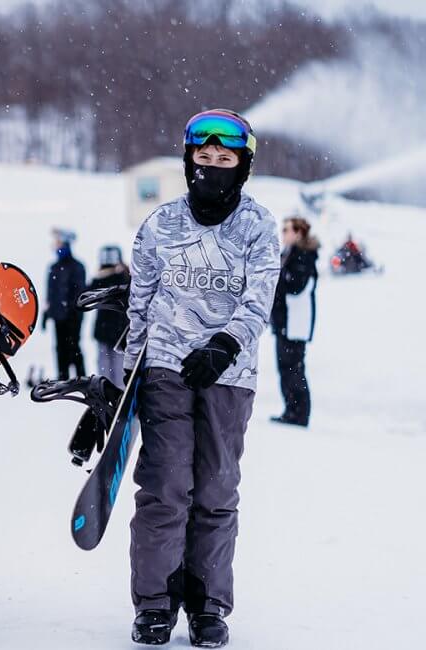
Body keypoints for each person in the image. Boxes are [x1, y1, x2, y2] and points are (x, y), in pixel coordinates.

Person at [123, 109, 279, 647]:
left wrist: (224, 343)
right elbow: (139, 301)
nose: (211, 168)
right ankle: (156, 603)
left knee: (215, 489)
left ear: (242, 166)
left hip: (229, 374)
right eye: (202, 158)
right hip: (165, 368)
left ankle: (208, 603)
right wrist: (127, 373)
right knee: (166, 488)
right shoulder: (161, 224)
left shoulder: (258, 227)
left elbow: (260, 299)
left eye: (224, 159)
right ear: (188, 161)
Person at [269, 216, 318, 426]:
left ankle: (299, 413)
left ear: (298, 233)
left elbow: (296, 286)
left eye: (287, 229)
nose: (283, 233)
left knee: (293, 369)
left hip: (294, 323)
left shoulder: (303, 255)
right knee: (285, 367)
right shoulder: (288, 254)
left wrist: (281, 275)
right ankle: (291, 410)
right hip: (284, 323)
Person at [44, 228, 86, 379]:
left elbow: (79, 292)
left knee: (74, 347)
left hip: (72, 317)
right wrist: (46, 313)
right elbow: (51, 293)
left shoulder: (77, 266)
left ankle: (81, 378)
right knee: (60, 348)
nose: (55, 245)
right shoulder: (54, 268)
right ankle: (63, 378)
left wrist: (72, 311)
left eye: (58, 242)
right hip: (58, 316)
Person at [88, 244, 130, 387]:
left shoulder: (124, 277)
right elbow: (87, 297)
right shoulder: (100, 280)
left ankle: (119, 396)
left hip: (119, 331)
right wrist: (101, 276)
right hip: (105, 330)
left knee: (118, 369)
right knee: (104, 367)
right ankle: (106, 393)